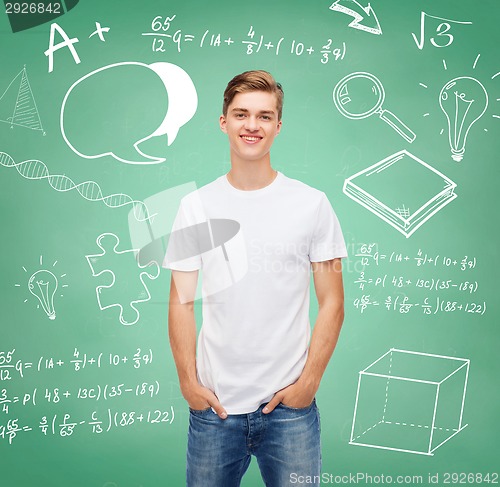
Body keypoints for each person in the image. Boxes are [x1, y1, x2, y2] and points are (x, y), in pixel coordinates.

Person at [164, 70, 347, 486]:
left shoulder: (312, 204)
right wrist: (189, 384)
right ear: (223, 121)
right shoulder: (195, 206)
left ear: (278, 126)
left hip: (290, 410)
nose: (252, 125)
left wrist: (309, 384)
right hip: (214, 409)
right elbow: (181, 301)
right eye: (241, 113)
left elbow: (333, 300)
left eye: (264, 116)